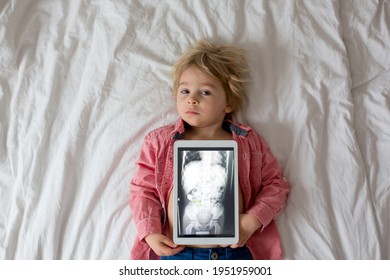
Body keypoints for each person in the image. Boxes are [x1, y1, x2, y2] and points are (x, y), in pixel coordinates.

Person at [129, 40, 290, 260]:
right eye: (184, 91)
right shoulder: (160, 142)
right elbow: (142, 190)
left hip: (235, 251)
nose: (192, 100)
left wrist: (252, 220)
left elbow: (276, 185)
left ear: (229, 103)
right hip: (177, 251)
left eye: (205, 92)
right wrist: (150, 233)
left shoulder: (247, 142)